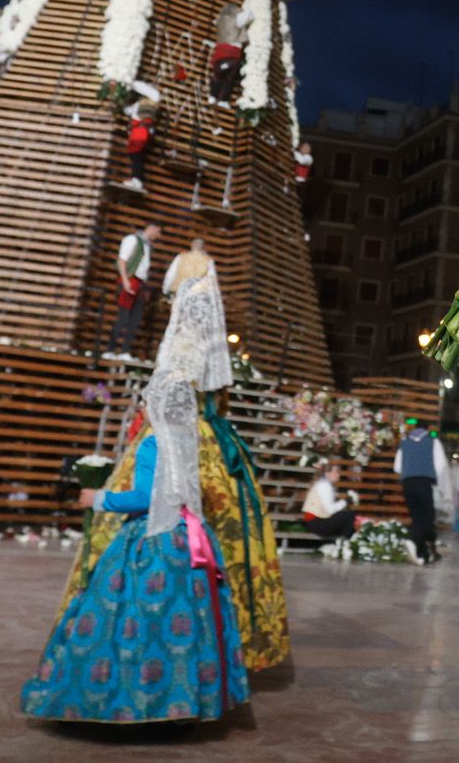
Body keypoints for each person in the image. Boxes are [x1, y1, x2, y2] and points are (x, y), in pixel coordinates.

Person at [20, 298, 249, 723]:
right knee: (190, 622)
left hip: (151, 539)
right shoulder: (188, 442)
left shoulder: (152, 444)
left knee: (129, 619)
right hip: (190, 540)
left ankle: (127, 697)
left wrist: (99, 499)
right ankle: (186, 697)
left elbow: (146, 498)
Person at [169, 241, 290, 670]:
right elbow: (217, 398)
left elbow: (175, 393)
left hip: (186, 435)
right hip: (217, 439)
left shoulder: (185, 342)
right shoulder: (211, 347)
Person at [393, 421, 450, 565]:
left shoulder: (404, 442)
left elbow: (397, 467)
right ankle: (412, 542)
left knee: (416, 517)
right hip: (424, 482)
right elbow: (441, 464)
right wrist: (431, 474)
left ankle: (422, 554)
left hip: (407, 483)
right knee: (427, 517)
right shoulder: (433, 442)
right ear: (427, 429)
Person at [105, 222, 160, 358]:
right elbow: (121, 260)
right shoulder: (132, 239)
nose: (158, 235)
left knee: (135, 319)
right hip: (131, 280)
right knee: (123, 317)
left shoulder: (148, 246)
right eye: (158, 232)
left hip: (140, 283)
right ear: (151, 229)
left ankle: (125, 351)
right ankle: (110, 350)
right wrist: (125, 281)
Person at [300, 457, 357, 543]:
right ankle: (345, 543)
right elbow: (330, 510)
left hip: (314, 522)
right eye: (336, 472)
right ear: (327, 474)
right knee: (350, 515)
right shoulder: (324, 485)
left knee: (346, 515)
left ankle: (343, 541)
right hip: (316, 523)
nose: (338, 475)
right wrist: (346, 501)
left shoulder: (323, 483)